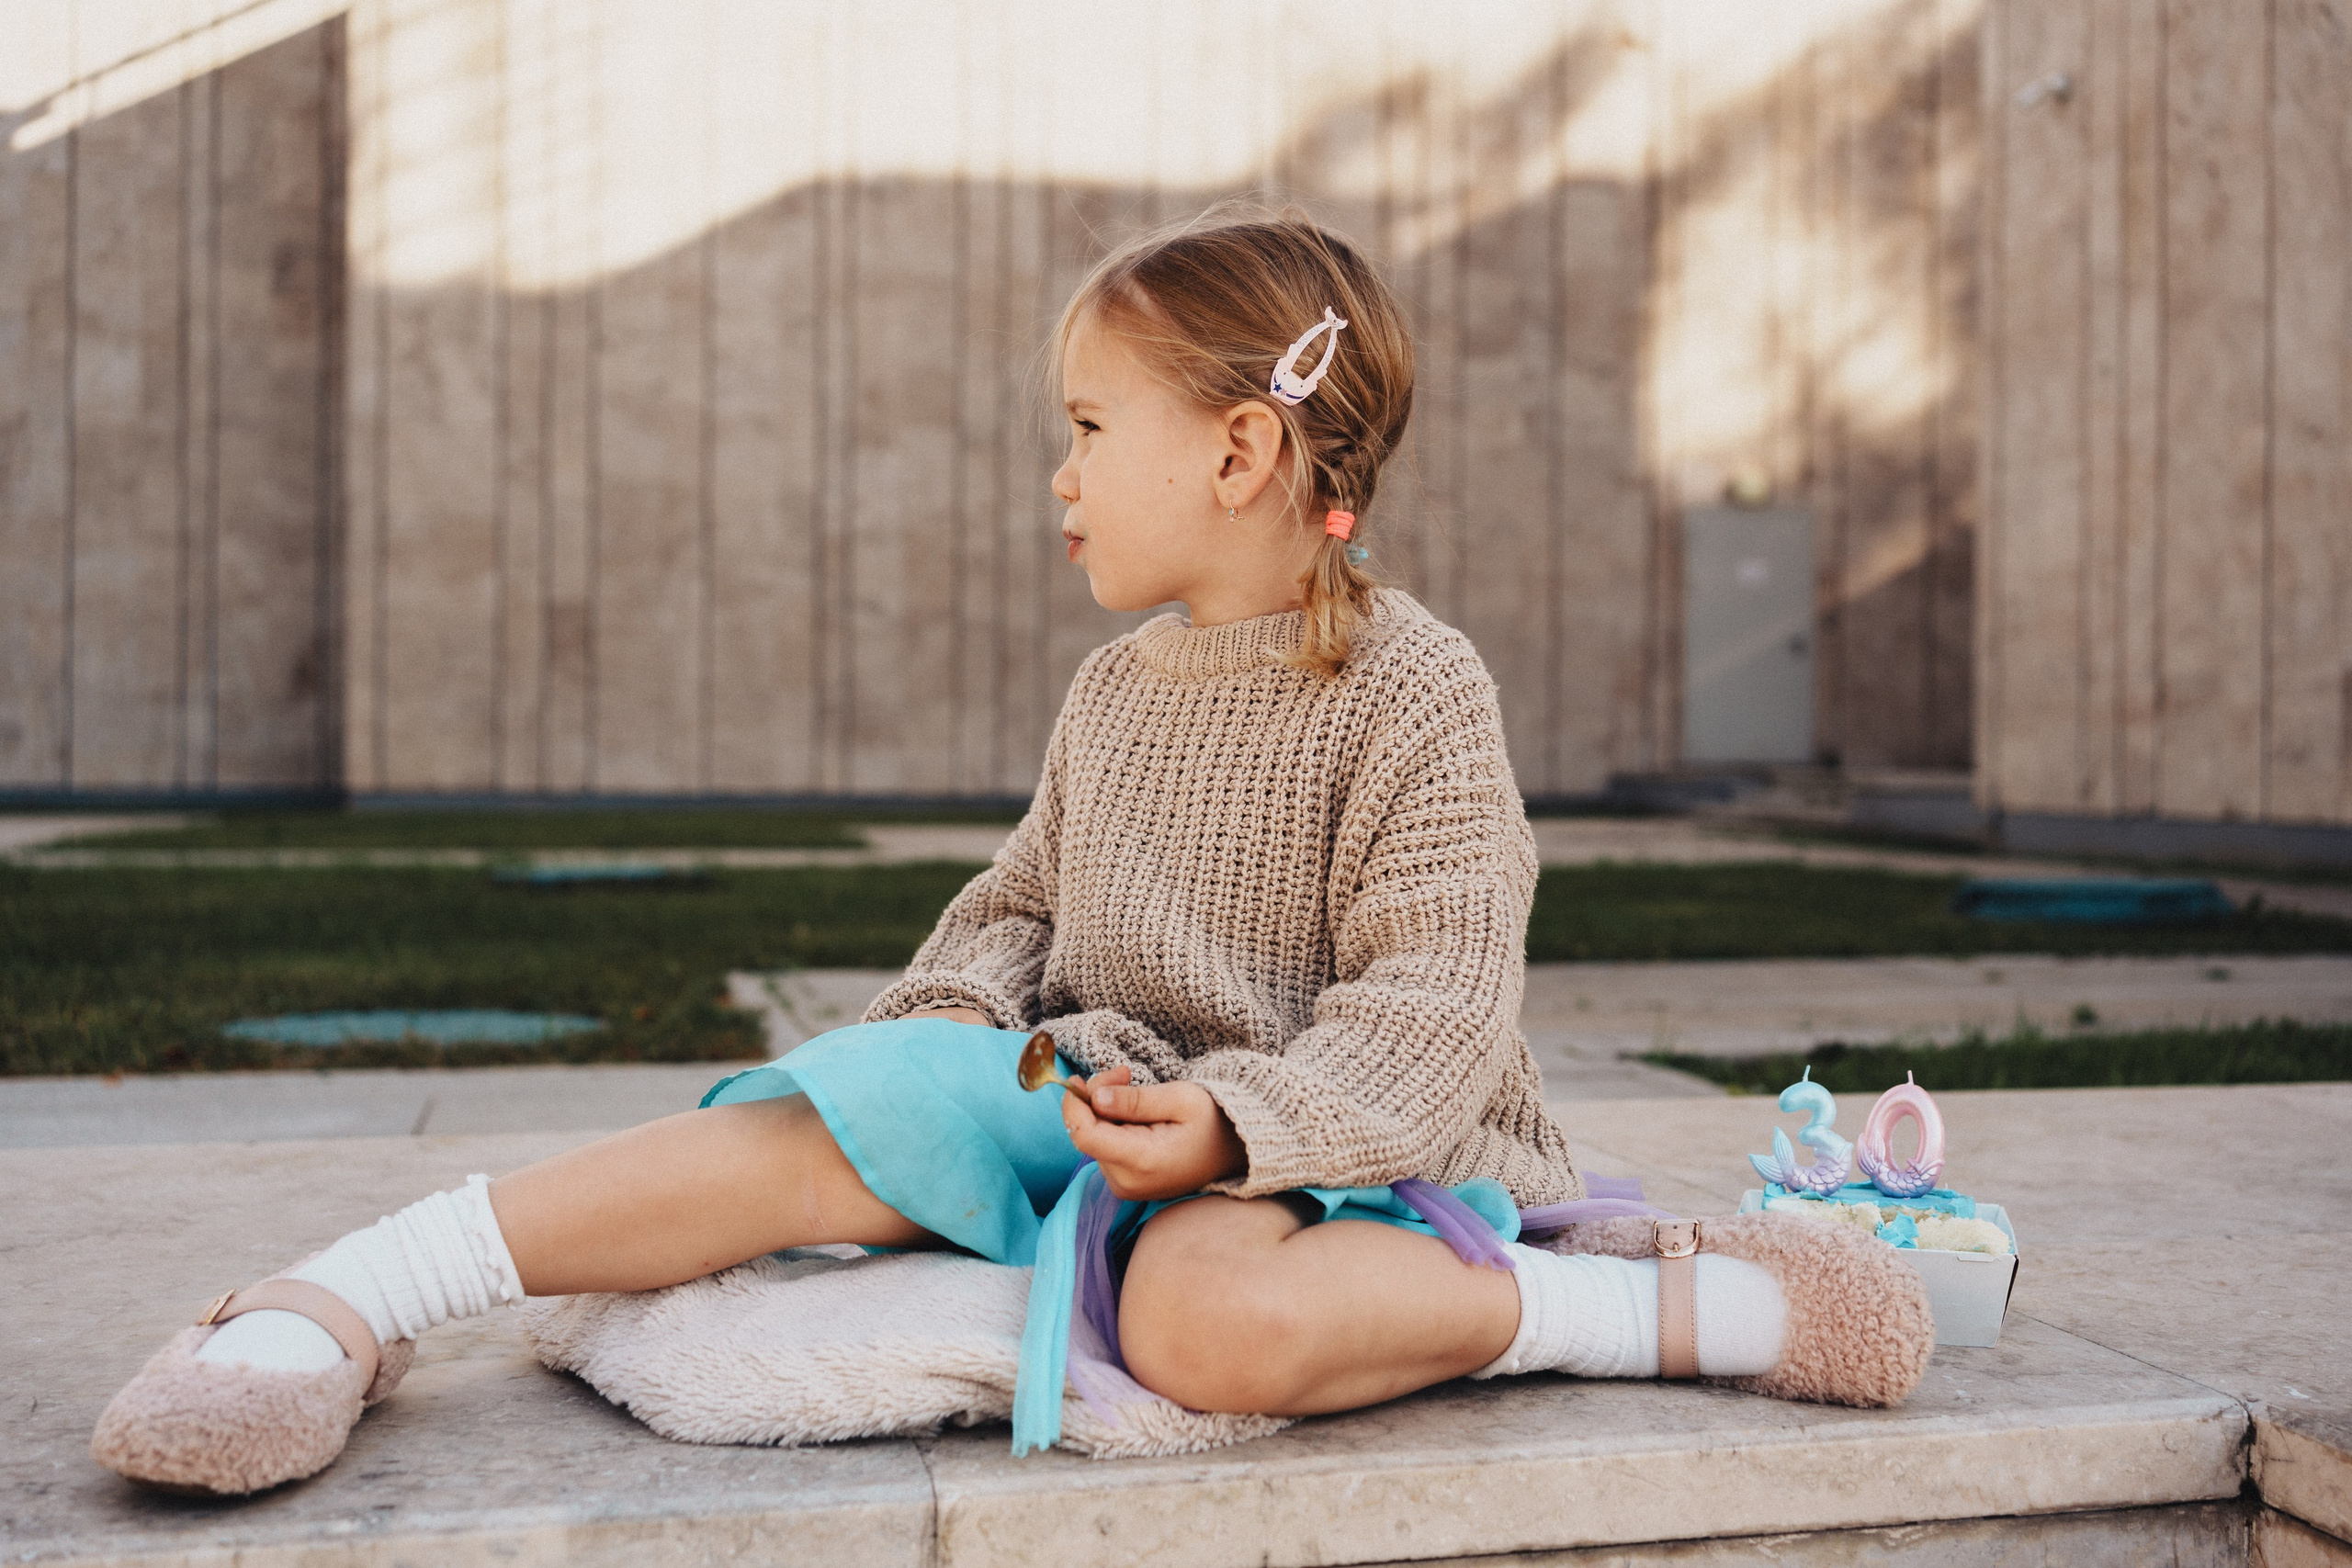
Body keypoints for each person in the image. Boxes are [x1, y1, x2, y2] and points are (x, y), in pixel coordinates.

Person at [92, 210, 1930, 1496]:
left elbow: (1435, 1011)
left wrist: (1238, 1131)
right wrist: (956, 1040)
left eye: (1081, 430)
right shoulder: (1117, 690)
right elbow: (1020, 904)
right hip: (1109, 1095)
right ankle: (355, 1294)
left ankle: (1618, 1303)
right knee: (831, 1120)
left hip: (1336, 1144)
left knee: (1209, 1319)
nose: (1056, 475)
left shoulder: (1414, 694)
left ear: (1234, 449)